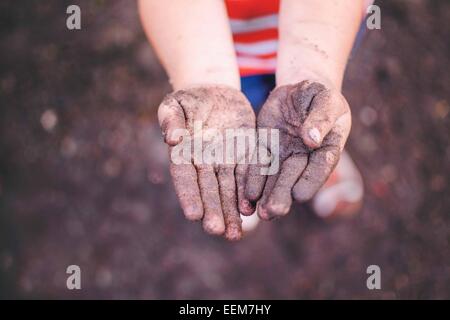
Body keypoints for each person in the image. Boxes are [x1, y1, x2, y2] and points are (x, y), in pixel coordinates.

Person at [139, 0, 369, 240]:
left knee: (309, 102)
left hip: (325, 29)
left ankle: (315, 130)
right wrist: (203, 75)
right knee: (236, 100)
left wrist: (312, 70)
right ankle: (247, 151)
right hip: (209, 38)